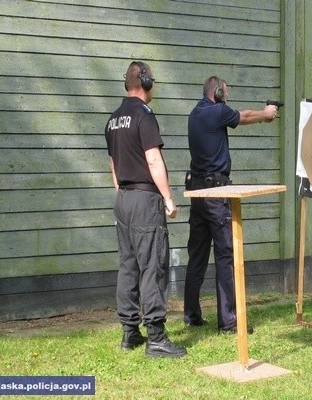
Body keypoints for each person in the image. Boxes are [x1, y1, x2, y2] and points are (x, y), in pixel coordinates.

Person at [184, 76, 278, 333]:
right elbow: (244, 116)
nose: (227, 98)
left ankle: (191, 314)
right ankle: (228, 320)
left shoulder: (195, 113)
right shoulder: (217, 111)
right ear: (216, 93)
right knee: (226, 254)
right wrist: (267, 114)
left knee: (197, 254)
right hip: (215, 191)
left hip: (197, 190)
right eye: (225, 93)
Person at [105, 61, 186, 358]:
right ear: (146, 82)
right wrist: (167, 198)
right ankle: (156, 337)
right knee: (153, 264)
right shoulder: (144, 116)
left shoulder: (113, 119)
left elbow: (113, 165)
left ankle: (130, 333)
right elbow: (154, 161)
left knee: (128, 265)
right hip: (143, 199)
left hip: (123, 199)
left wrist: (123, 193)